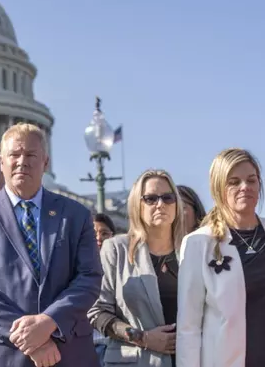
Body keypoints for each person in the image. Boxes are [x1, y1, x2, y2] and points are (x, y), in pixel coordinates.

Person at [0, 123, 102, 367]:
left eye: (31, 155)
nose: (22, 161)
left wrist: (49, 322)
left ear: (46, 162)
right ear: (1, 162)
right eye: (14, 155)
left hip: (68, 351)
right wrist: (30, 339)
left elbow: (89, 277)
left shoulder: (75, 215)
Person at [178, 148, 265, 367]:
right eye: (234, 182)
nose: (244, 187)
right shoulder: (198, 243)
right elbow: (188, 328)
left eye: (251, 180)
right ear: (218, 188)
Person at [88, 170, 185, 367]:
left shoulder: (190, 250)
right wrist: (144, 338)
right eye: (150, 198)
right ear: (136, 205)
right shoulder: (117, 248)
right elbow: (97, 312)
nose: (160, 204)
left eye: (168, 198)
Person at [90, 212, 116, 364]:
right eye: (94, 234)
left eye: (104, 233)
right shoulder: (73, 266)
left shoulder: (121, 268)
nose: (99, 238)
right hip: (85, 345)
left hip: (112, 344)